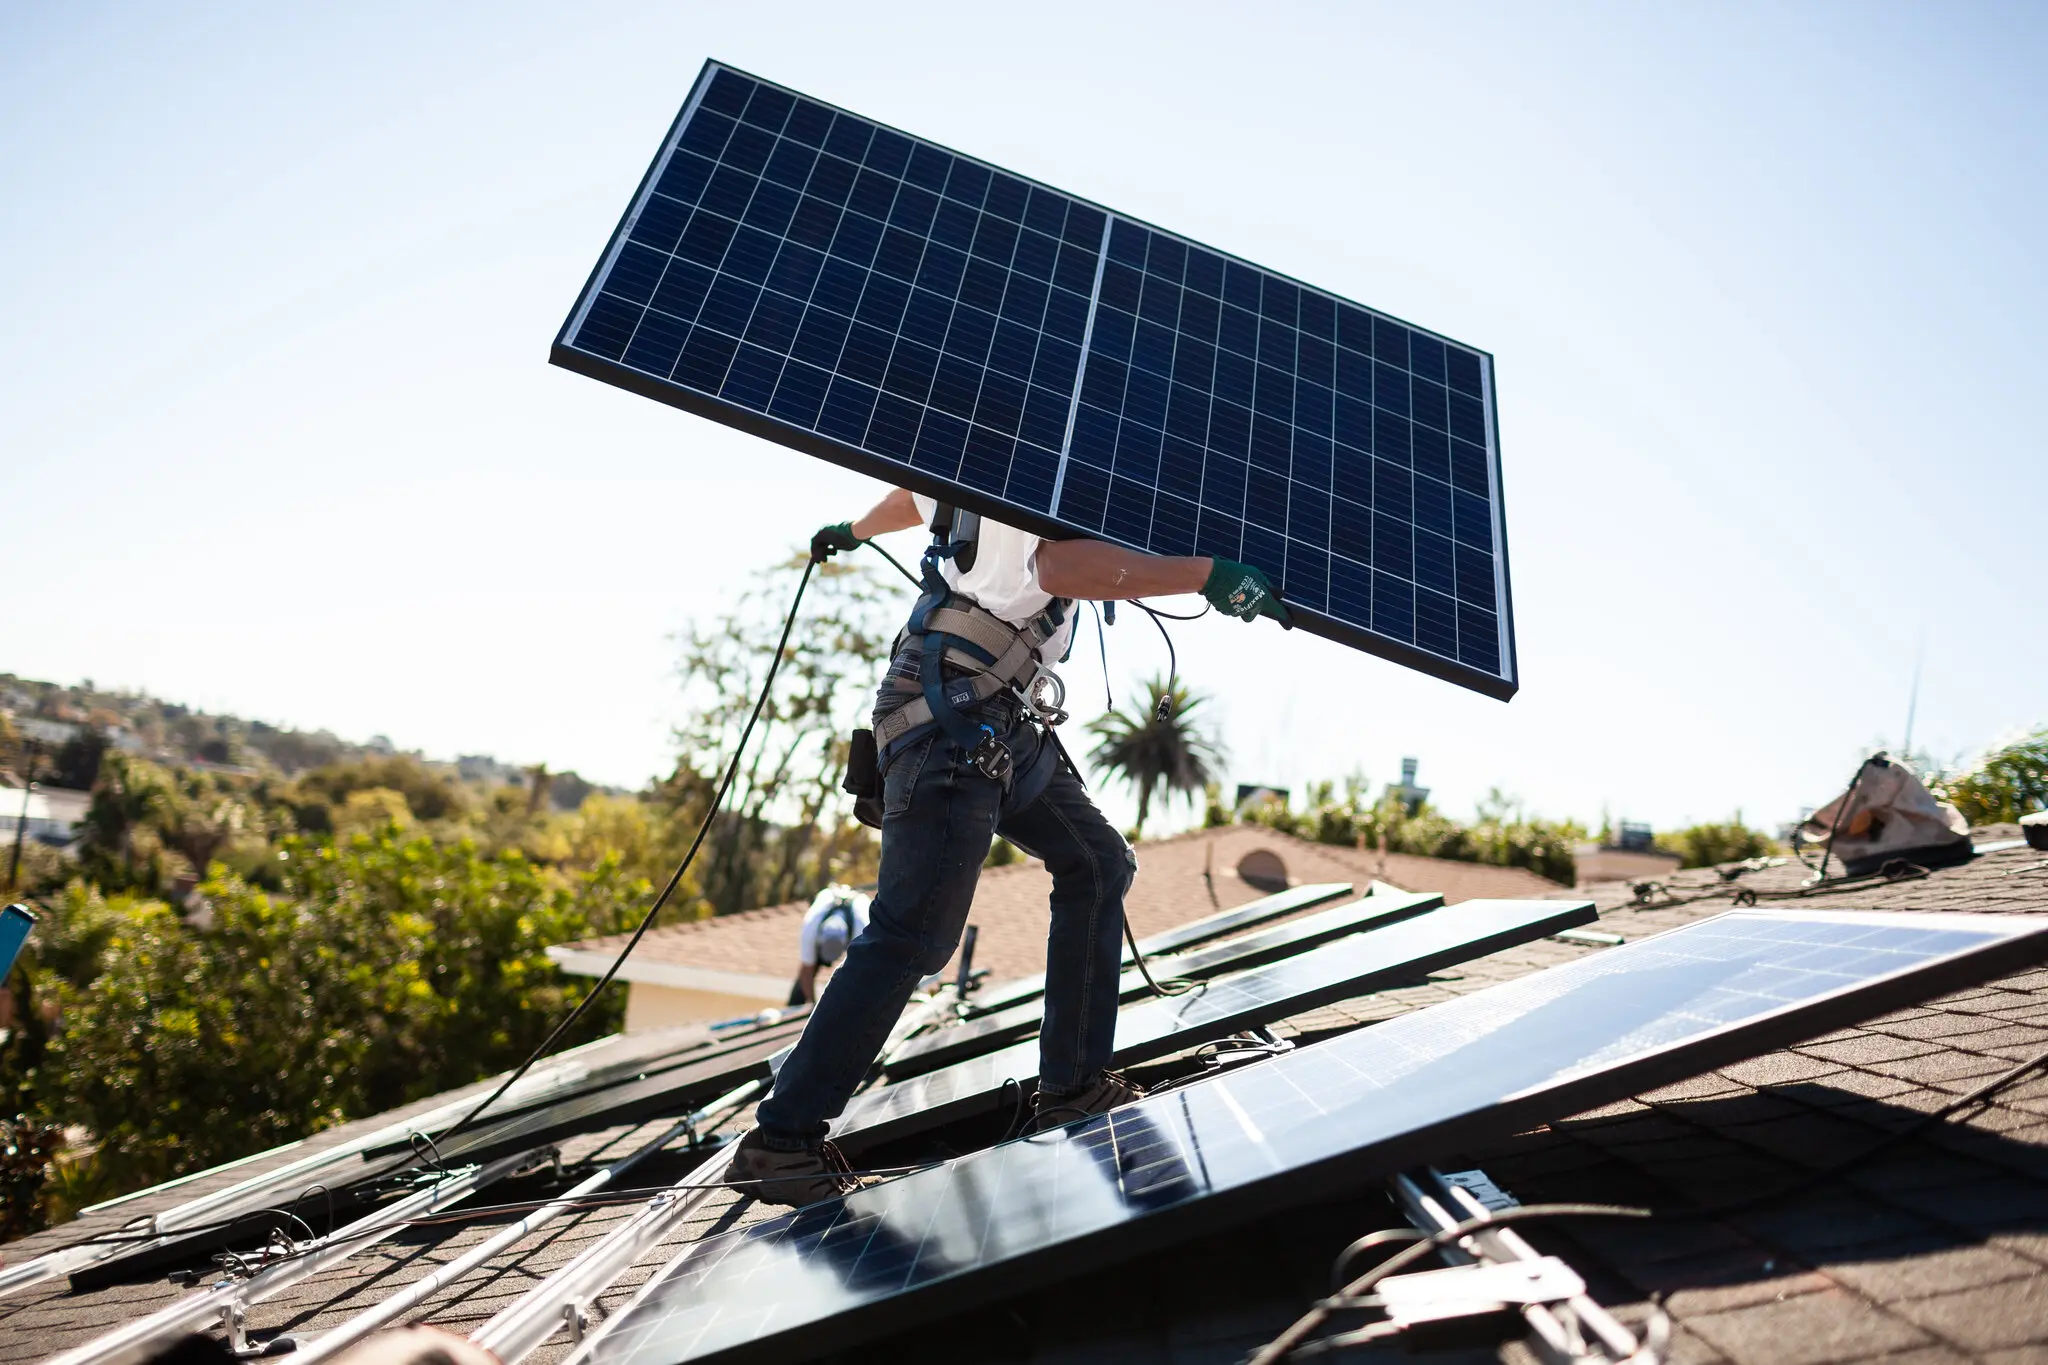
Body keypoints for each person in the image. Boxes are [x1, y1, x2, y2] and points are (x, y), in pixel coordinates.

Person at [726, 487, 1288, 1205]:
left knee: (1096, 859)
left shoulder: (1015, 454)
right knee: (916, 933)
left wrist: (856, 529)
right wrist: (1203, 573)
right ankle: (783, 1140)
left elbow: (910, 499)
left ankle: (1073, 1089)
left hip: (998, 715)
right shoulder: (1025, 458)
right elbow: (1055, 565)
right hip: (952, 708)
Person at [789, 882, 872, 1005]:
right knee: (806, 973)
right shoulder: (810, 929)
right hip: (828, 898)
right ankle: (795, 1005)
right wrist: (811, 1005)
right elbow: (806, 970)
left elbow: (863, 974)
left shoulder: (863, 930)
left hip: (859, 907)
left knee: (861, 976)